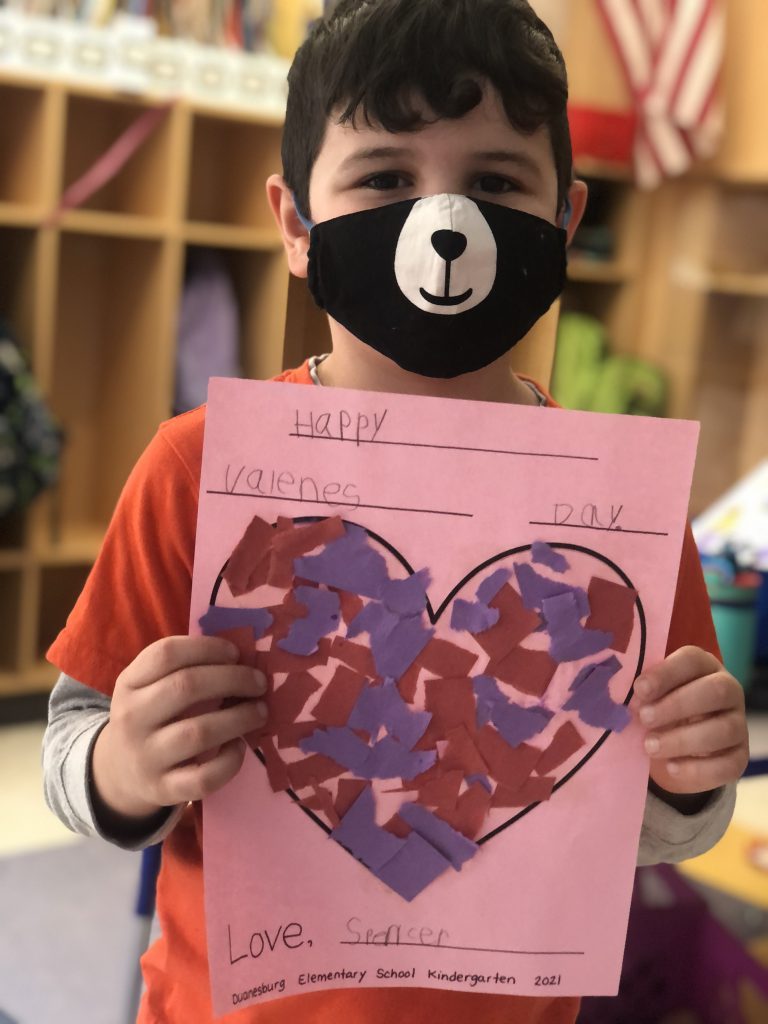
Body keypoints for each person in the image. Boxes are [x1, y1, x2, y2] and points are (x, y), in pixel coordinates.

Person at [42, 2, 749, 1022]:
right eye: (384, 178)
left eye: (497, 183)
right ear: (295, 223)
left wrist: (691, 776)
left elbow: (654, 814)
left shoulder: (618, 510)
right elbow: (73, 747)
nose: (444, 225)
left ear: (564, 223)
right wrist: (124, 763)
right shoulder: (197, 468)